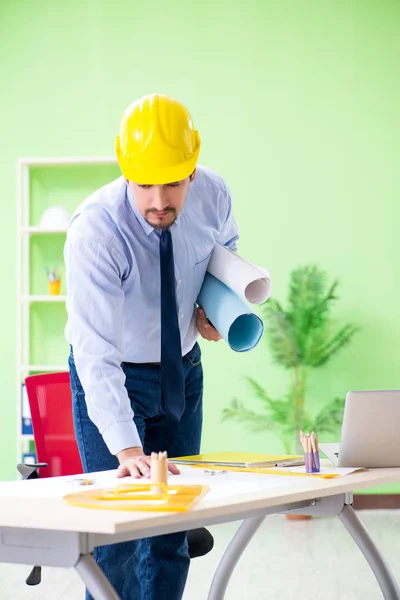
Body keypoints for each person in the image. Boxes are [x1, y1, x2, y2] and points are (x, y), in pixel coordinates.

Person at [64, 93, 239, 600]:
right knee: (115, 534)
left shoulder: (214, 195)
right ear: (124, 169)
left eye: (173, 182)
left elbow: (223, 251)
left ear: (193, 168)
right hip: (115, 373)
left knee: (172, 528)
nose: (159, 200)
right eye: (144, 184)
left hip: (182, 369)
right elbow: (94, 349)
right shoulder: (96, 232)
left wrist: (213, 306)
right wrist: (126, 446)